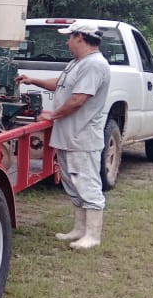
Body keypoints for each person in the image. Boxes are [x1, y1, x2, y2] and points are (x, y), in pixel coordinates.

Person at [16, 20, 111, 249]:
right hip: (68, 136)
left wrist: (53, 116)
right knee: (72, 182)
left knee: (86, 182)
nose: (67, 41)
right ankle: (79, 229)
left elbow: (78, 99)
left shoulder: (94, 65)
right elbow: (60, 85)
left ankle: (93, 235)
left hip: (82, 137)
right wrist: (33, 80)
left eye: (69, 37)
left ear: (80, 37)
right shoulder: (77, 63)